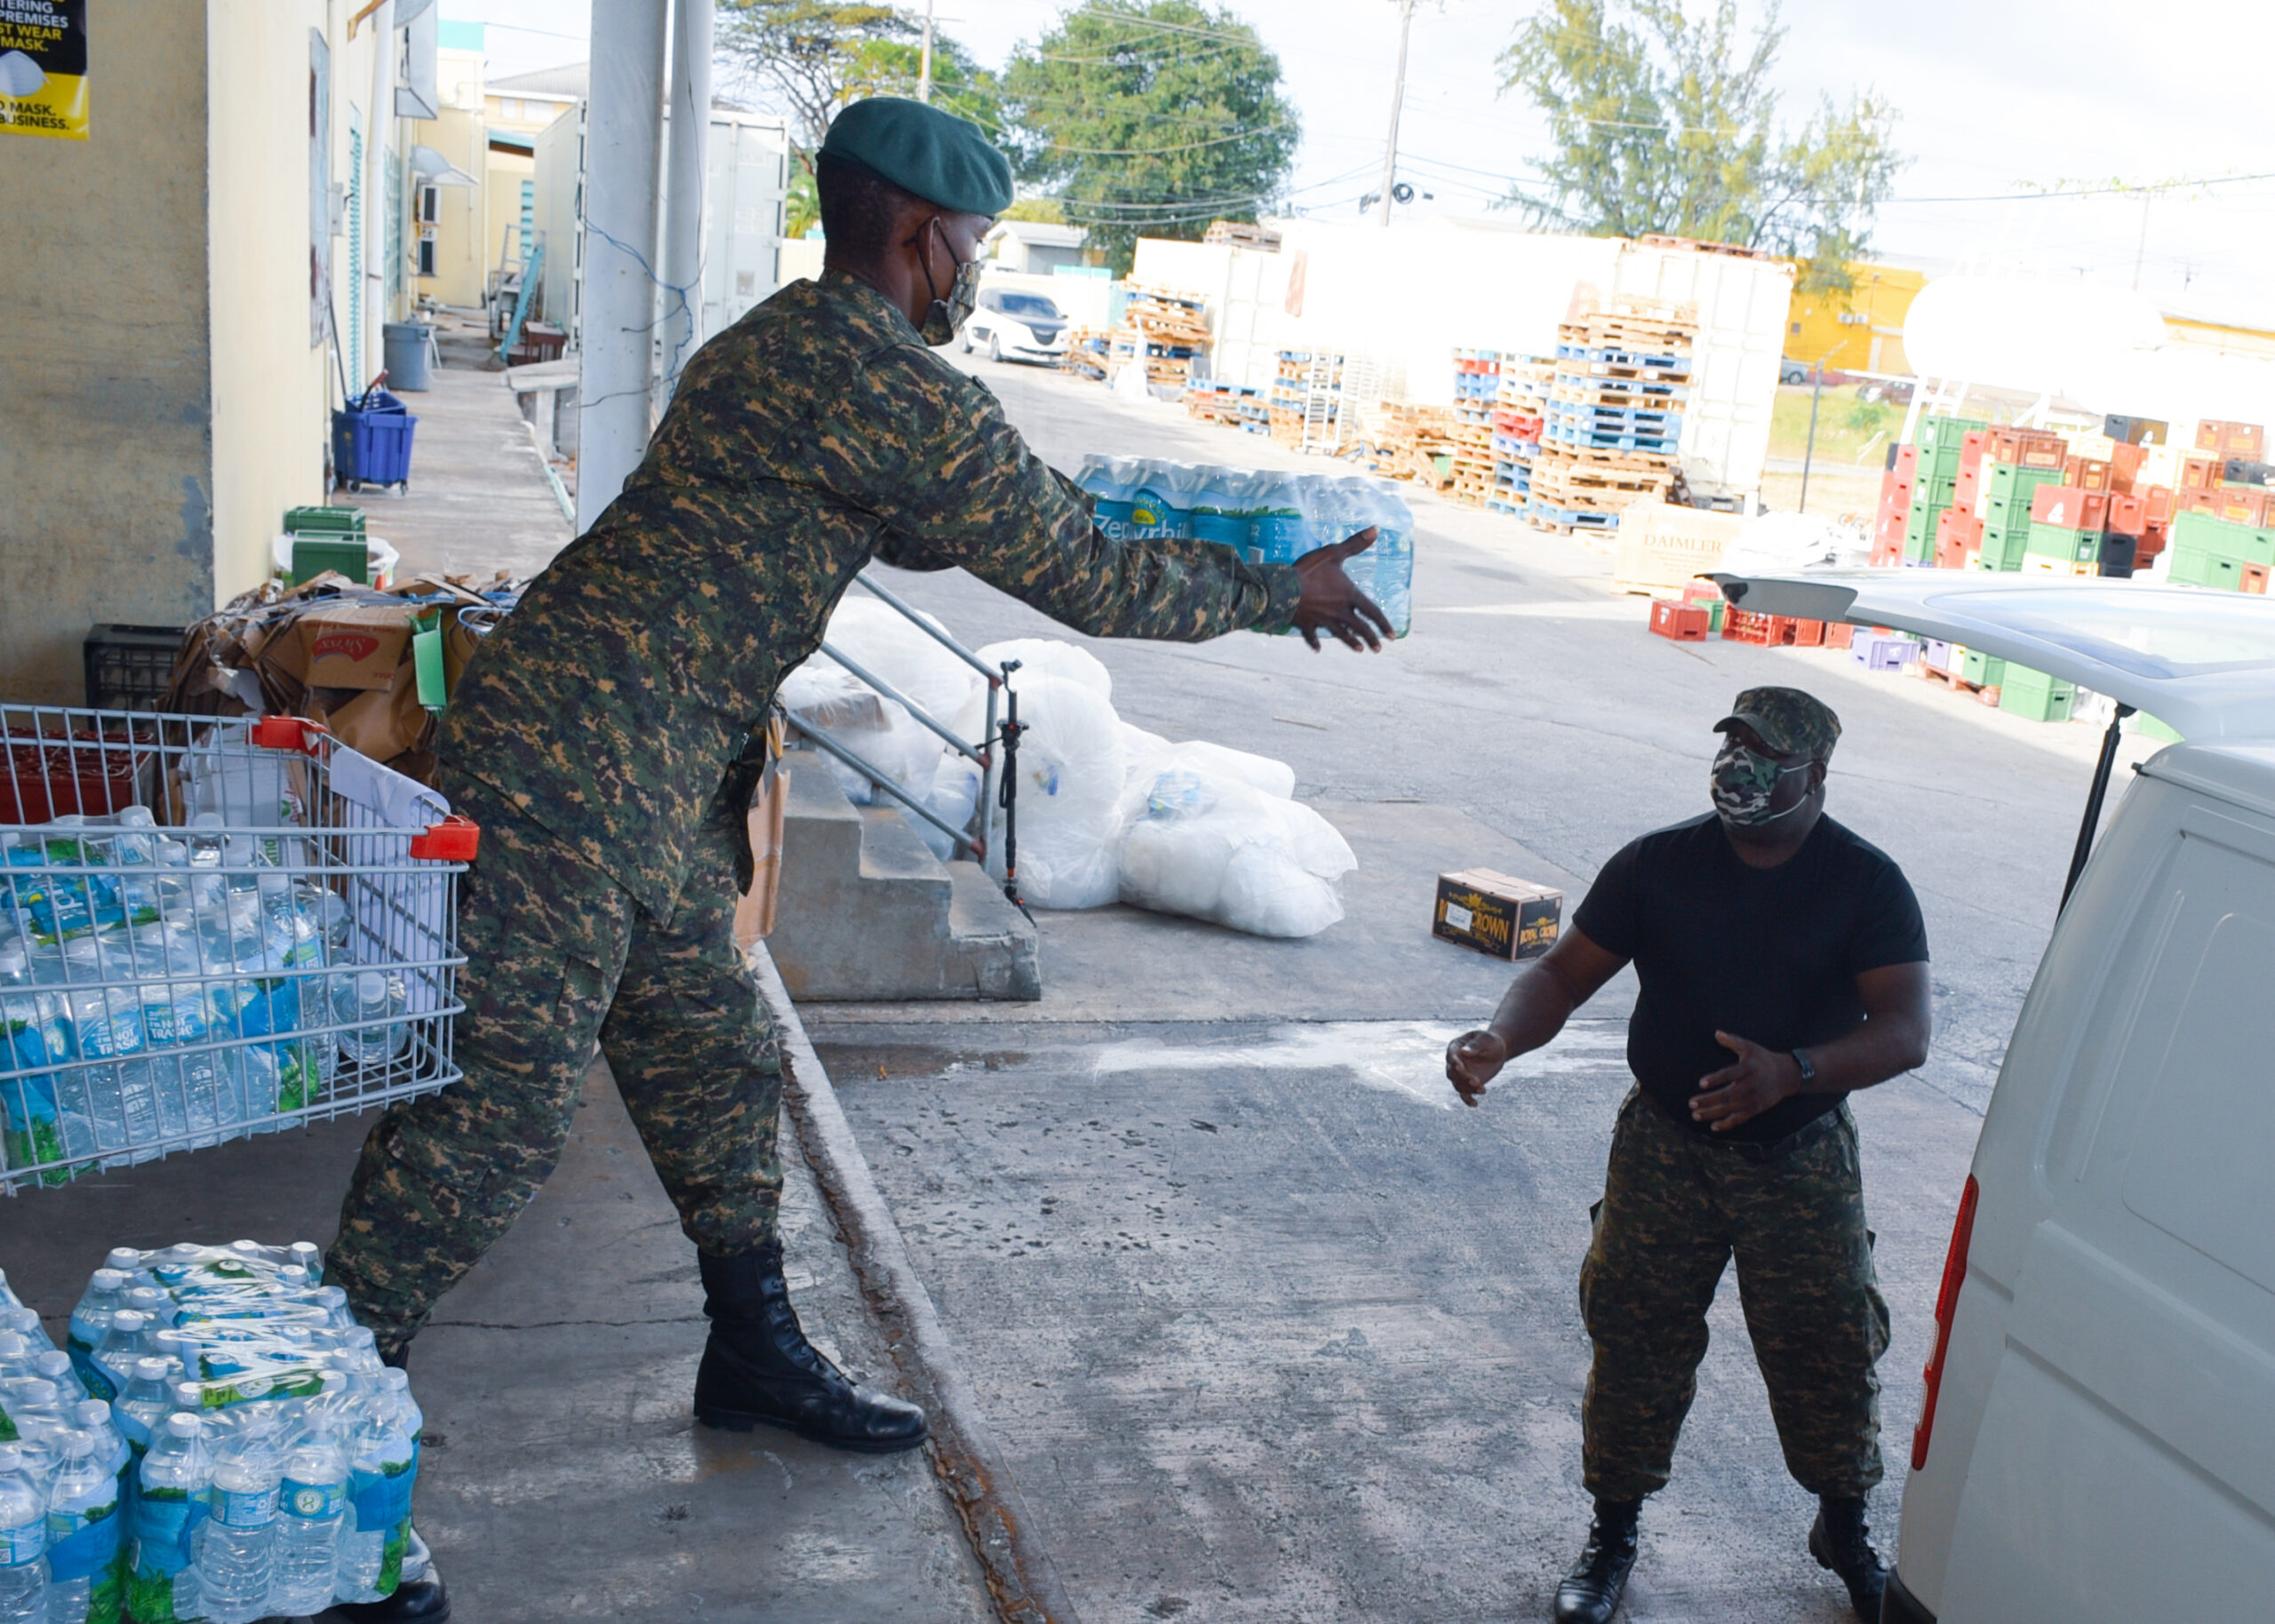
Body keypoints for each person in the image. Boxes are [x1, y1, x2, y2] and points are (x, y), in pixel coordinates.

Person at [322, 97, 1391, 1622]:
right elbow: (1085, 573)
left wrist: (1019, 499)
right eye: (974, 242)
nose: (975, 268)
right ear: (921, 236)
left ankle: (751, 1348)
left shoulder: (778, 341)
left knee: (712, 1054)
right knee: (500, 1110)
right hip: (580, 763)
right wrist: (1276, 588)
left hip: (631, 750)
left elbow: (908, 525)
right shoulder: (892, 388)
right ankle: (308, 1430)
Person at [1444, 687, 1931, 1624]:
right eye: (1731, 743)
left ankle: (1844, 1526)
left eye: (1766, 754)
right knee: (1635, 1336)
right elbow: (1562, 974)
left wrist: (1792, 1073)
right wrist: (1502, 1038)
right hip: (1664, 1149)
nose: (1739, 766)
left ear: (1815, 775)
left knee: (1826, 1345)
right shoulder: (1657, 864)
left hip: (1798, 1159)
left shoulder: (1865, 884)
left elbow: (1905, 1031)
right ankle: (1612, 1532)